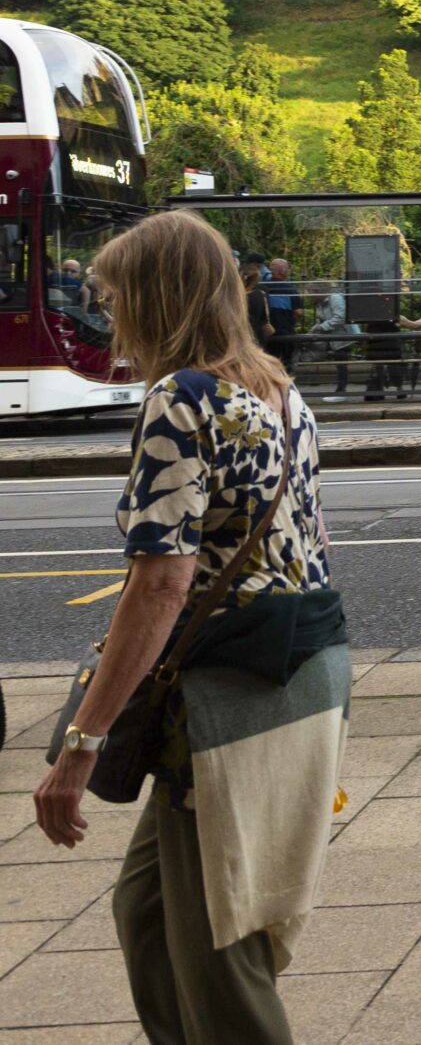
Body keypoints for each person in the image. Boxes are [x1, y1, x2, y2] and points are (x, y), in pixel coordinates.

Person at [32, 209, 346, 1045]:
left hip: (227, 692)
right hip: (303, 665)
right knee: (148, 911)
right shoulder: (278, 387)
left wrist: (81, 744)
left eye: (116, 299)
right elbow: (312, 538)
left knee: (217, 945)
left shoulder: (183, 397)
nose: (111, 319)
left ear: (156, 298)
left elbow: (162, 582)